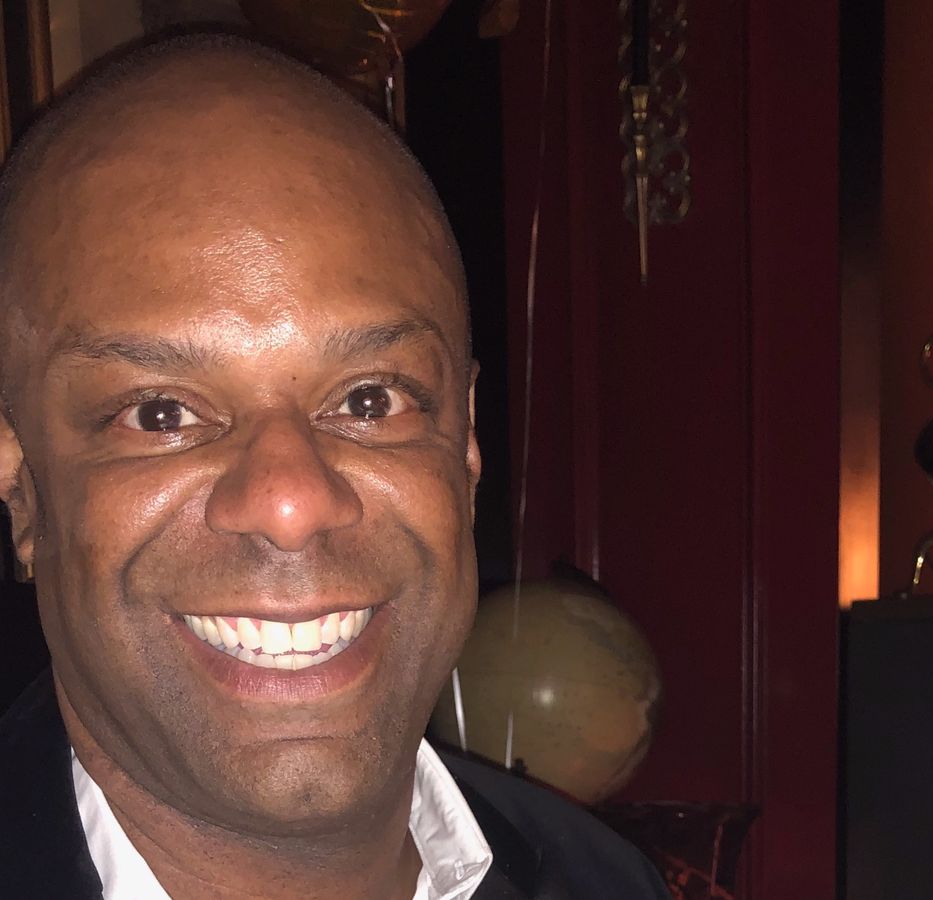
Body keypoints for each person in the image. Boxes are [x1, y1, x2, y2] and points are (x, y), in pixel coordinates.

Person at [0, 35, 668, 900]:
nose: (291, 503)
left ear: (465, 444)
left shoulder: (607, 882)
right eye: (161, 413)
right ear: (21, 483)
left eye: (369, 399)